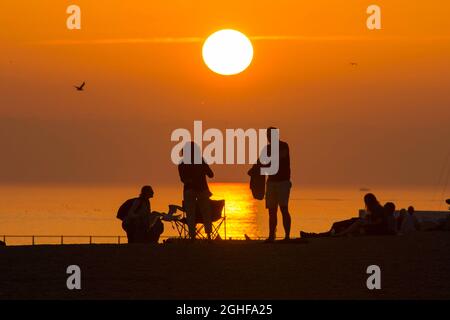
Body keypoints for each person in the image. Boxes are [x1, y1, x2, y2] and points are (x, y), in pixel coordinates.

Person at [258, 127, 292, 242]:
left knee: (284, 209)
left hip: (283, 182)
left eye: (270, 135)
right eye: (267, 135)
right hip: (271, 182)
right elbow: (261, 163)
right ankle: (271, 235)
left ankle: (287, 236)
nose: (268, 138)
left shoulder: (284, 146)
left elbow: (275, 160)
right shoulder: (267, 149)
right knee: (272, 211)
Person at [178, 142, 214, 240]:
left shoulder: (182, 163)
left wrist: (190, 179)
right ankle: (209, 236)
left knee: (190, 214)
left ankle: (192, 237)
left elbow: (183, 179)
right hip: (202, 189)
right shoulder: (201, 161)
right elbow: (211, 174)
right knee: (206, 212)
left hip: (189, 190)